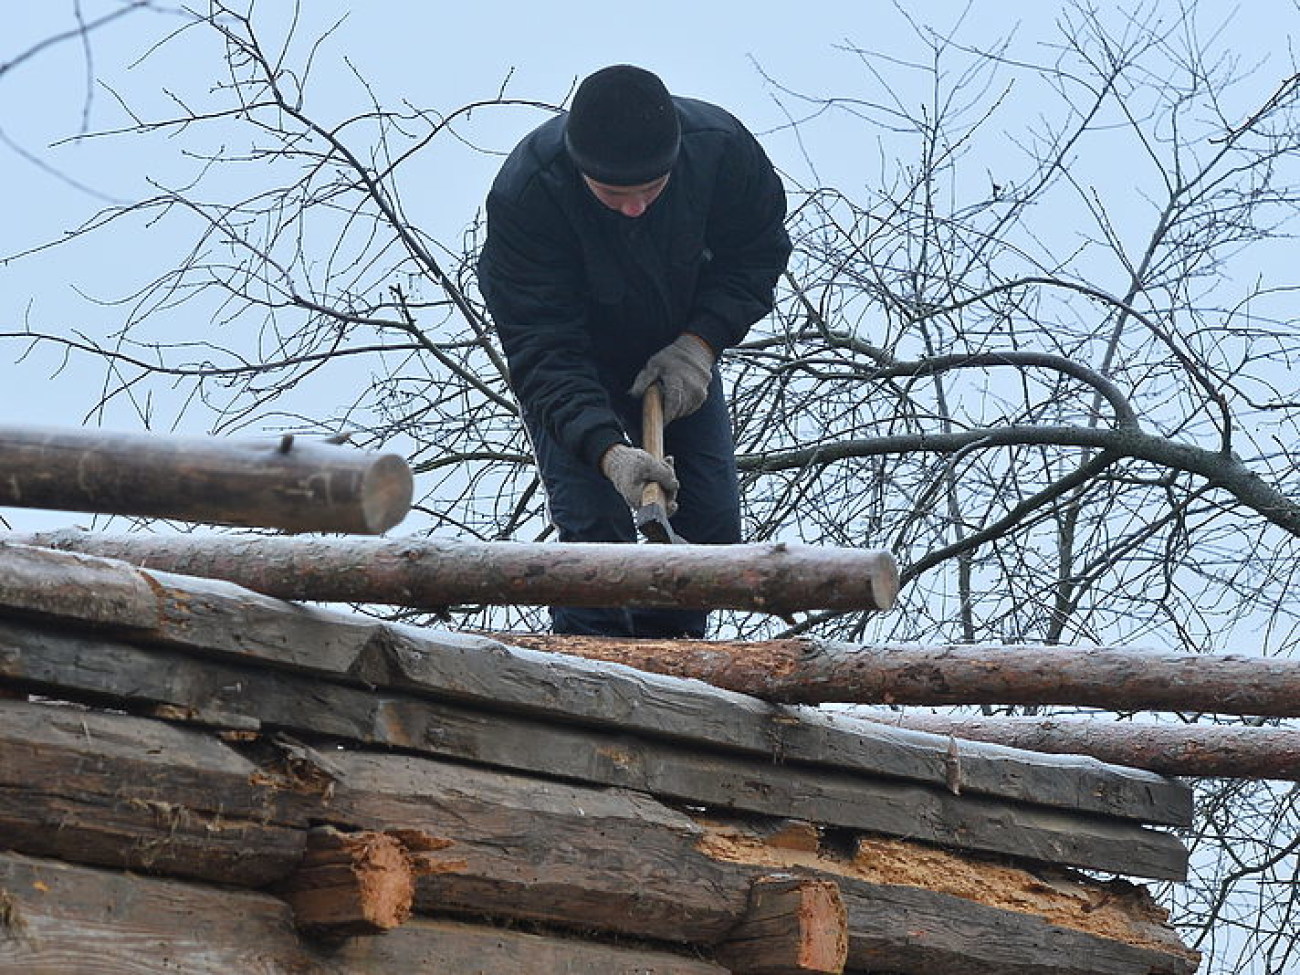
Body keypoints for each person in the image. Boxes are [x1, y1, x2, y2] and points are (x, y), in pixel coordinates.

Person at [478, 64, 791, 638]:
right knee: (595, 539)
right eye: (615, 193)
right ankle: (579, 685)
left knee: (710, 527)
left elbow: (758, 254)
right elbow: (544, 354)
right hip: (573, 367)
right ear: (581, 170)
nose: (635, 208)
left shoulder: (720, 152)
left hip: (675, 352)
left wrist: (699, 344)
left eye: (651, 189)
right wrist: (609, 453)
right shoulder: (529, 195)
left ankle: (669, 674)